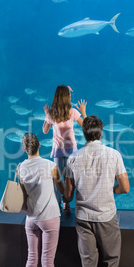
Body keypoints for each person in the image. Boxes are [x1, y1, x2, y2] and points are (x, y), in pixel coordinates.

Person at [64, 115, 130, 267]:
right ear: (101, 133)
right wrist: (110, 191)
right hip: (107, 217)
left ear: (84, 134)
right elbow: (125, 187)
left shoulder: (73, 158)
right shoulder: (114, 154)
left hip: (83, 219)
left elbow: (68, 195)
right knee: (110, 264)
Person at [18, 132, 64, 267]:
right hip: (50, 217)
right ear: (40, 146)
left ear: (24, 148)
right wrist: (67, 198)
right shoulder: (50, 165)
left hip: (31, 219)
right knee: (47, 262)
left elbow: (23, 192)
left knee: (31, 260)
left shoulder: (20, 167)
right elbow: (61, 188)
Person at [42, 84, 87, 213]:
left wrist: (46, 115)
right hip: (71, 149)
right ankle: (66, 202)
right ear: (67, 98)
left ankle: (57, 205)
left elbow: (45, 131)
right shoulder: (72, 111)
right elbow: (86, 126)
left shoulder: (52, 113)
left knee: (58, 178)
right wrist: (83, 112)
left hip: (57, 149)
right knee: (70, 177)